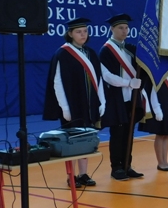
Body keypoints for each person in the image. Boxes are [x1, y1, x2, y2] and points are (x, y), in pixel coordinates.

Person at [42, 18, 105, 188]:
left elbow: (98, 79)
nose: (83, 35)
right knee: (71, 142)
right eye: (78, 32)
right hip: (72, 105)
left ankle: (83, 174)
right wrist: (65, 107)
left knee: (86, 139)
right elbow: (57, 82)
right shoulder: (62, 54)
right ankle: (71, 176)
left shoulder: (91, 53)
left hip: (89, 104)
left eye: (85, 31)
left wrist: (102, 101)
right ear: (70, 34)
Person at [99, 14, 147, 181]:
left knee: (128, 133)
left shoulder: (131, 49)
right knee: (117, 133)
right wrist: (128, 83)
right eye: (120, 28)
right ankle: (116, 167)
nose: (124, 31)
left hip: (131, 98)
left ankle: (127, 165)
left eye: (126, 28)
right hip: (116, 99)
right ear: (112, 29)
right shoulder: (106, 51)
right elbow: (106, 76)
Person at [138, 71, 168, 170]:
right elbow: (153, 94)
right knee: (160, 134)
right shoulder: (159, 77)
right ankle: (160, 162)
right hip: (161, 109)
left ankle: (165, 161)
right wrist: (157, 110)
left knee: (166, 135)